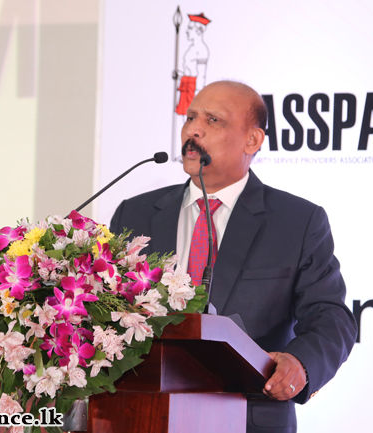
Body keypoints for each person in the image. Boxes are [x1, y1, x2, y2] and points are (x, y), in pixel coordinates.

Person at [110, 80, 357, 433]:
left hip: (249, 418)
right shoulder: (134, 214)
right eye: (191, 117)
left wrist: (300, 363)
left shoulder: (296, 222)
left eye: (213, 120)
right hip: (138, 414)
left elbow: (330, 315)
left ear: (252, 140)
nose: (193, 129)